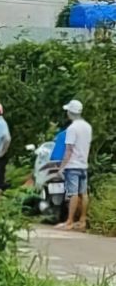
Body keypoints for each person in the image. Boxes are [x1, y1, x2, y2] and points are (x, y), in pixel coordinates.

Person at [57, 99, 93, 231]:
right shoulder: (87, 127)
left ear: (70, 113)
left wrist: (62, 167)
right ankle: (82, 220)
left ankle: (70, 221)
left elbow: (69, 149)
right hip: (84, 164)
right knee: (83, 193)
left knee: (72, 194)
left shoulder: (72, 129)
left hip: (73, 165)